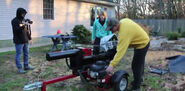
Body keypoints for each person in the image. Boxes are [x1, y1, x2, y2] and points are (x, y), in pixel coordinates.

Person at [105, 18, 150, 91]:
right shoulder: (123, 21)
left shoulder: (124, 33)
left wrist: (111, 65)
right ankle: (139, 79)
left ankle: (136, 87)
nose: (110, 30)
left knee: (136, 66)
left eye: (111, 29)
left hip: (143, 44)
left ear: (116, 25)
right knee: (139, 62)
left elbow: (120, 52)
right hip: (141, 41)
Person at [11, 8, 34, 74]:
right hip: (18, 41)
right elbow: (16, 30)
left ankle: (26, 66)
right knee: (18, 55)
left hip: (25, 40)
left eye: (24, 14)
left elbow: (26, 30)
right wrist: (23, 25)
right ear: (19, 13)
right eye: (22, 14)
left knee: (26, 53)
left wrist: (30, 38)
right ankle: (20, 68)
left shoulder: (23, 20)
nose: (24, 15)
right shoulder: (14, 21)